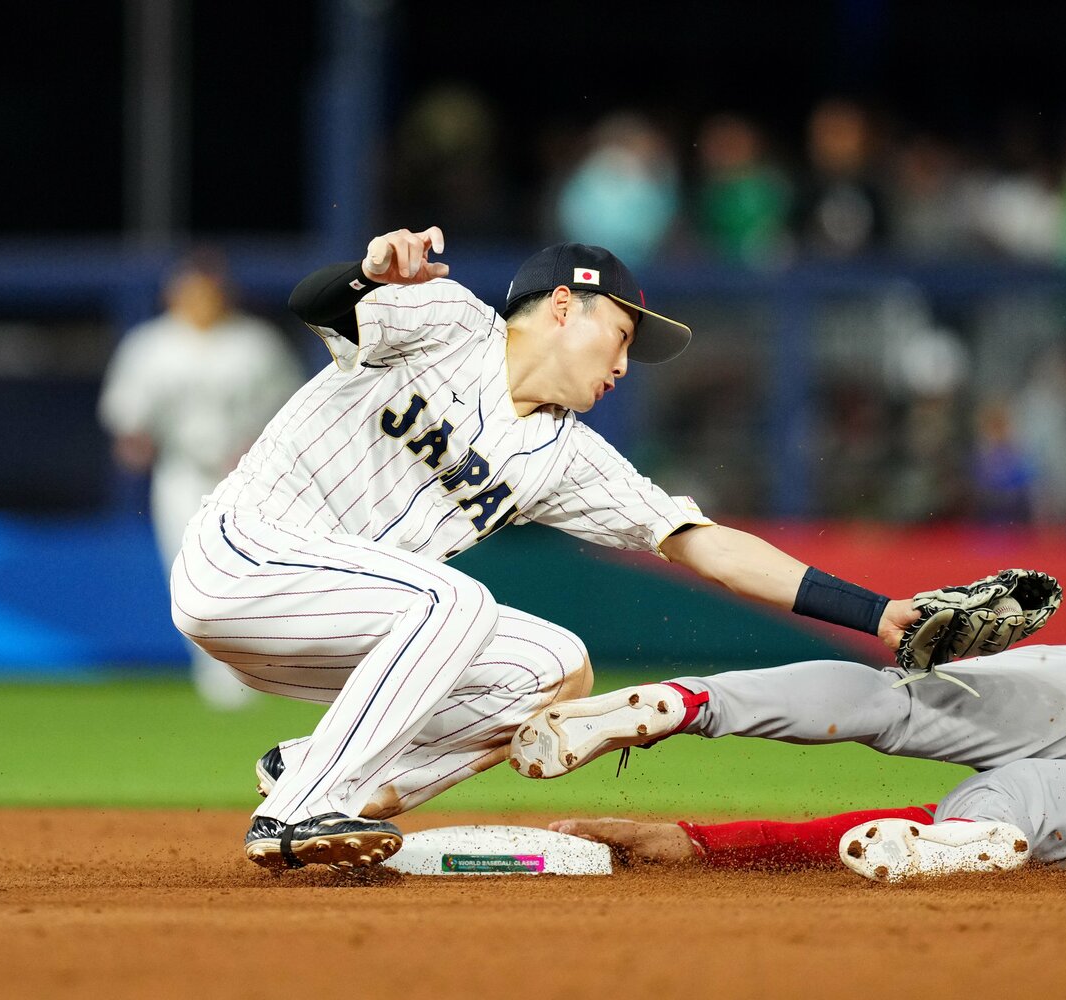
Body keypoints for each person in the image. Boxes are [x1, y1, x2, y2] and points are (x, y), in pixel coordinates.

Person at [170, 226, 922, 871]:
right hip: (246, 555)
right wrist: (370, 272)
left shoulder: (565, 456)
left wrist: (878, 612)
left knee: (553, 667)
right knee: (455, 598)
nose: (625, 366)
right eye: (622, 336)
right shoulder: (451, 321)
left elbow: (706, 546)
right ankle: (299, 814)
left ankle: (320, 773)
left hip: (333, 627)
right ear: (564, 305)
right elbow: (316, 306)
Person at [514, 274, 1066, 881]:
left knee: (899, 702)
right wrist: (693, 844)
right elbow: (875, 833)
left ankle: (687, 702)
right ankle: (961, 850)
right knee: (988, 813)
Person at [99, 255, 303, 709]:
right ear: (173, 295)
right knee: (187, 571)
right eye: (190, 292)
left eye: (208, 291)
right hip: (181, 472)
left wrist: (261, 445)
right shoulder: (150, 344)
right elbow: (126, 413)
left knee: (249, 573)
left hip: (250, 475)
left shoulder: (254, 342)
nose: (200, 301)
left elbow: (293, 408)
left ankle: (258, 668)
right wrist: (134, 438)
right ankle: (218, 674)